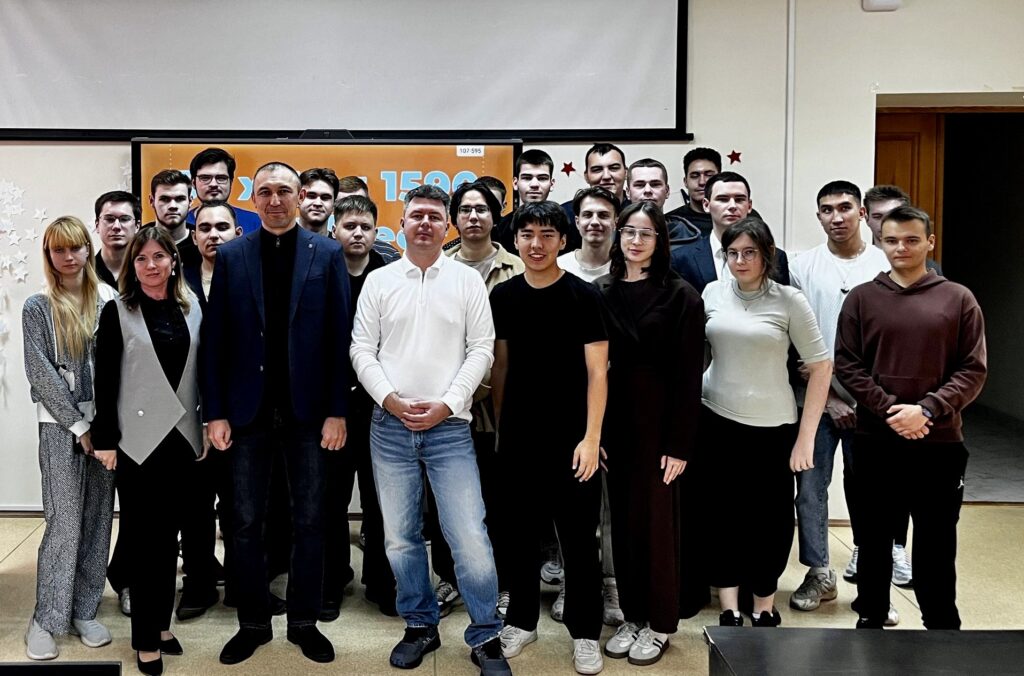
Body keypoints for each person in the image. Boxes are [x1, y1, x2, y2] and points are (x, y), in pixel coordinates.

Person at [350, 184, 510, 675]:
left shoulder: (466, 282)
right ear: (401, 224)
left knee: (470, 536)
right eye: (416, 215)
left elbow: (481, 349)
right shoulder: (379, 281)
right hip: (389, 426)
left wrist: (448, 404)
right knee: (400, 537)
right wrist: (390, 399)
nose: (425, 223)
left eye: (434, 217)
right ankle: (420, 624)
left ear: (448, 226)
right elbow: (361, 349)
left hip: (450, 427)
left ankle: (486, 635)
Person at [202, 162, 351, 666]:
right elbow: (216, 340)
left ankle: (304, 622)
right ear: (254, 199)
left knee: (311, 520)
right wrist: (215, 412)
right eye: (264, 192)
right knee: (244, 522)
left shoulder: (327, 254)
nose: (274, 200)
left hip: (310, 413)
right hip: (247, 414)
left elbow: (340, 338)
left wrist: (338, 411)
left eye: (284, 191)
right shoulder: (232, 255)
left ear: (300, 196)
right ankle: (252, 622)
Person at [835, 206, 986, 630]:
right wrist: (890, 410)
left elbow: (973, 369)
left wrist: (928, 409)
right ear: (880, 243)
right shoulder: (862, 298)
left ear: (929, 242)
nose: (901, 247)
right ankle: (871, 615)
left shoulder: (958, 299)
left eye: (911, 240)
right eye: (891, 240)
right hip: (875, 440)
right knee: (874, 536)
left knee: (937, 539)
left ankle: (941, 624)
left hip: (939, 442)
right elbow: (847, 364)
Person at [488, 200, 606, 675]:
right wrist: (501, 430)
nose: (536, 244)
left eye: (547, 235)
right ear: (516, 240)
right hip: (519, 438)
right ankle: (521, 621)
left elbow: (598, 373)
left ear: (563, 240)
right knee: (518, 537)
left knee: (579, 541)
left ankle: (585, 632)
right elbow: (501, 367)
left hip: (573, 440)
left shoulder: (584, 296)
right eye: (528, 235)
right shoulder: (504, 296)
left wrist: (592, 438)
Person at [701, 217, 832, 627]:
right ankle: (728, 607)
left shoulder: (789, 300)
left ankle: (763, 605)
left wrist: (806, 438)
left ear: (767, 255)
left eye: (750, 253)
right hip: (716, 420)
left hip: (773, 428)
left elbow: (821, 367)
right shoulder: (712, 292)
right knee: (722, 516)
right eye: (732, 253)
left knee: (769, 521)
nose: (740, 261)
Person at [595, 202, 704, 666]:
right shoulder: (601, 291)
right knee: (623, 526)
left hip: (661, 427)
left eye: (646, 233)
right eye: (629, 231)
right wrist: (594, 432)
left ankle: (660, 623)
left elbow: (689, 376)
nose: (636, 240)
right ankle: (633, 615)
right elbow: (592, 369)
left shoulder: (681, 295)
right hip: (615, 424)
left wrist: (679, 444)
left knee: (658, 528)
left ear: (660, 241)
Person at [91, 226, 203, 675]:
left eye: (159, 256)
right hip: (137, 442)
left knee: (169, 538)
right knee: (144, 541)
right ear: (131, 266)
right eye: (141, 258)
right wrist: (104, 439)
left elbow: (203, 371)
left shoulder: (192, 307)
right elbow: (105, 378)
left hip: (183, 438)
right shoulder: (117, 311)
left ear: (174, 261)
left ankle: (161, 624)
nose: (151, 265)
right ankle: (145, 638)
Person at [788, 182, 893, 619]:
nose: (837, 217)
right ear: (818, 217)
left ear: (863, 213)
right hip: (818, 399)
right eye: (827, 210)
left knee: (870, 493)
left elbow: (895, 340)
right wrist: (829, 396)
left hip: (873, 402)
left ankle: (873, 583)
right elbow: (793, 339)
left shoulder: (885, 264)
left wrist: (868, 399)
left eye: (845, 207)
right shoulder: (802, 266)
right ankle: (819, 572)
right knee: (810, 489)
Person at [21, 217, 118, 662]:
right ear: (49, 255)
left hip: (107, 428)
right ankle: (46, 618)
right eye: (58, 249)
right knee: (64, 523)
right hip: (61, 429)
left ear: (86, 249)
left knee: (98, 520)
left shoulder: (109, 300)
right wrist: (79, 427)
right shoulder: (37, 307)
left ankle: (84, 609)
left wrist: (103, 427)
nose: (69, 256)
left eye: (75, 247)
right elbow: (40, 372)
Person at [428, 181, 524, 619]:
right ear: (454, 218)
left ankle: (502, 583)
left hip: (501, 404)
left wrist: (483, 386)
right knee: (445, 500)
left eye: (482, 209)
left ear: (495, 216)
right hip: (447, 405)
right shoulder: (438, 267)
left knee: (501, 500)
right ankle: (448, 578)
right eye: (464, 209)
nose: (473, 217)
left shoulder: (517, 267)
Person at [322, 194, 398, 619]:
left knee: (379, 499)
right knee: (331, 499)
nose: (357, 233)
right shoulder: (320, 272)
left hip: (379, 404)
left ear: (376, 232)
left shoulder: (388, 276)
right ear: (334, 229)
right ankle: (333, 579)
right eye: (349, 226)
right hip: (331, 404)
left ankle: (382, 582)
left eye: (365, 227)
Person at [176, 200, 242, 620]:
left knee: (242, 509)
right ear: (194, 235)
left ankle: (242, 585)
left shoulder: (252, 278)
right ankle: (198, 585)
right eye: (204, 228)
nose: (213, 234)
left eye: (222, 226)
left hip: (243, 415)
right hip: (190, 414)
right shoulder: (177, 282)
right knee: (195, 507)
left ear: (238, 233)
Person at [670, 172, 790, 293]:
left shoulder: (775, 257)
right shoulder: (681, 259)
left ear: (749, 206)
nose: (732, 206)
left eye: (739, 199)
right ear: (706, 205)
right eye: (723, 199)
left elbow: (781, 302)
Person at [625, 158, 701, 249]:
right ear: (628, 192)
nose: (647, 190)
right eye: (639, 185)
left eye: (655, 184)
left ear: (667, 191)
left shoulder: (688, 236)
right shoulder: (616, 235)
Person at [561, 144, 629, 240]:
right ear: (586, 176)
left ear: (626, 173)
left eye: (614, 168)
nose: (606, 176)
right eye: (597, 170)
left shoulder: (638, 212)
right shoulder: (564, 214)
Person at [494, 149, 557, 254]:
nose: (534, 184)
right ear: (515, 183)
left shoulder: (564, 225)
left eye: (542, 178)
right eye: (527, 178)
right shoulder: (500, 228)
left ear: (552, 184)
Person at [187, 147, 261, 234]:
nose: (213, 184)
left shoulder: (256, 222)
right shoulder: (181, 224)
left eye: (221, 178)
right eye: (205, 178)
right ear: (193, 183)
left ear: (231, 182)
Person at [557, 187, 619, 282]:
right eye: (587, 215)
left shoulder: (628, 270)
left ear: (615, 223)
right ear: (577, 222)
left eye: (603, 215)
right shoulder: (558, 267)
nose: (594, 222)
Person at [336, 175, 402, 262]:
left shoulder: (388, 255)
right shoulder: (322, 251)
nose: (354, 207)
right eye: (344, 204)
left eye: (360, 201)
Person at [147, 170, 201, 269]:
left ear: (190, 201)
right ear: (152, 201)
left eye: (180, 199)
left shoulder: (201, 242)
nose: (173, 206)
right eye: (165, 199)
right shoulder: (138, 242)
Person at [666, 147, 721, 236]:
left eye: (709, 175)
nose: (702, 182)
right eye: (695, 176)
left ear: (720, 179)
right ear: (685, 182)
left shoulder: (737, 217)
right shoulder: (670, 222)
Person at [93, 191, 140, 287]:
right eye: (109, 219)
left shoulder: (148, 271)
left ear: (137, 226)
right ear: (97, 225)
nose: (116, 226)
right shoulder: (83, 272)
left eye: (124, 219)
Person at [297, 167, 340, 236]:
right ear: (298, 199)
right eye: (311, 196)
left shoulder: (340, 243)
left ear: (334, 204)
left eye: (325, 198)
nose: (318, 203)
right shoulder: (280, 241)